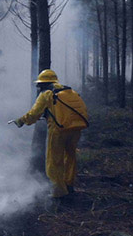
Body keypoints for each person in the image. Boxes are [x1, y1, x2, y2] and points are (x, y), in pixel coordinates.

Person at [11, 69, 89, 198]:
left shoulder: (47, 94)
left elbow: (34, 114)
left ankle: (58, 191)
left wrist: (21, 121)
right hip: (75, 128)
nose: (38, 87)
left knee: (54, 161)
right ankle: (69, 184)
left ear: (43, 83)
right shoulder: (70, 91)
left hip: (58, 130)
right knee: (70, 156)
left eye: (39, 84)